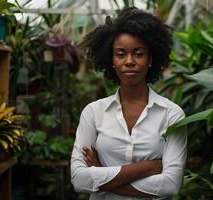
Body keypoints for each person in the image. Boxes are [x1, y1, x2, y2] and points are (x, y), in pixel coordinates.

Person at [71, 7, 187, 200]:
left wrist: (100, 174)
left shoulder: (172, 115)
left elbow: (171, 184)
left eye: (138, 53)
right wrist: (149, 167)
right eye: (121, 53)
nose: (129, 61)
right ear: (112, 60)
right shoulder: (93, 112)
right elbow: (79, 179)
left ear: (151, 59)